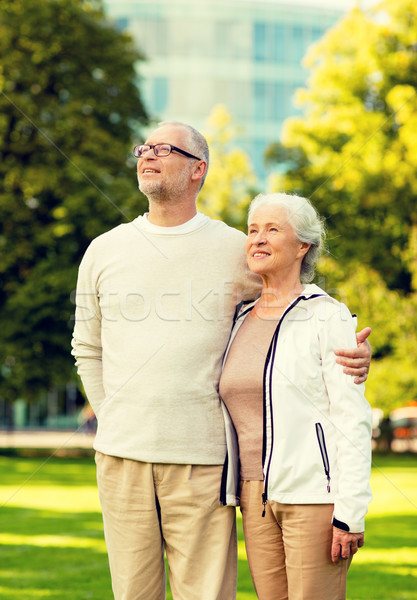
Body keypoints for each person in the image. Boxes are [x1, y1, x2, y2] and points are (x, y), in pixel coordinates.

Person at [71, 122, 371, 600]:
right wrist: (115, 416)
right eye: (143, 147)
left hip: (205, 461)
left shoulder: (236, 249)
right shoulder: (104, 250)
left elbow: (292, 295)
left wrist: (350, 342)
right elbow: (86, 348)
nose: (148, 154)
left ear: (198, 170)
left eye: (163, 148)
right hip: (121, 456)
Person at [219, 192, 373, 600]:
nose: (258, 239)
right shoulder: (237, 317)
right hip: (254, 496)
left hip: (312, 496)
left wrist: (350, 512)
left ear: (303, 245)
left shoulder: (327, 315)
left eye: (272, 229)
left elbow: (352, 417)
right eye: (253, 230)